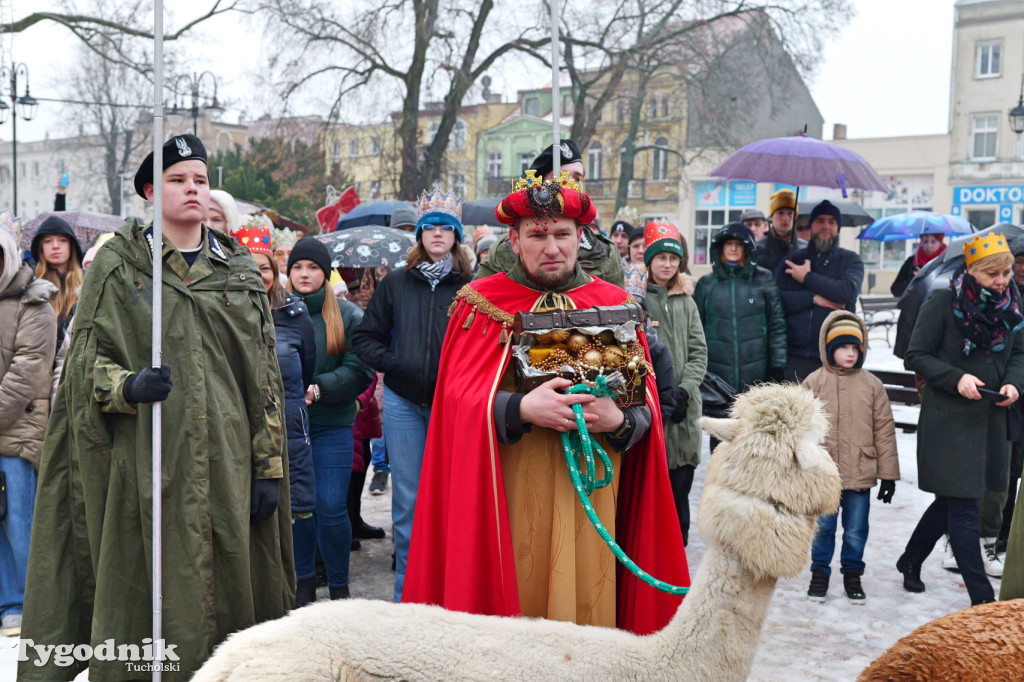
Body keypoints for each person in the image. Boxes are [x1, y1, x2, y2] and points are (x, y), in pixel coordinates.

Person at [20, 134, 294, 680]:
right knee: (148, 589)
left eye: (199, 180)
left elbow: (263, 378)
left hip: (228, 463)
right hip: (146, 460)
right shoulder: (120, 265)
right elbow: (84, 369)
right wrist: (126, 385)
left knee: (233, 585)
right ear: (151, 190)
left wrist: (268, 467)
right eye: (177, 180)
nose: (192, 189)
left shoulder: (238, 269)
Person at [402, 175, 687, 634]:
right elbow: (454, 402)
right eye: (537, 235)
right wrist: (520, 409)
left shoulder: (615, 306)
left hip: (595, 497)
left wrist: (620, 419)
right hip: (514, 495)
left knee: (590, 619)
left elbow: (649, 406)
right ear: (515, 240)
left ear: (580, 237)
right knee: (521, 624)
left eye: (562, 234)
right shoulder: (480, 306)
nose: (551, 247)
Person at [351, 188, 471, 602]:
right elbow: (365, 338)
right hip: (403, 403)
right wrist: (395, 361)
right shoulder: (397, 283)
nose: (438, 233)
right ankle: (408, 595)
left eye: (446, 227)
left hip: (452, 404)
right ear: (419, 235)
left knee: (453, 499)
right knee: (408, 500)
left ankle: (451, 592)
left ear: (457, 236)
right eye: (430, 227)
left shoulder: (472, 288)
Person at [898, 232, 1024, 607]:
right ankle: (983, 603)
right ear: (972, 272)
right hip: (950, 422)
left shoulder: (1012, 305)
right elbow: (916, 355)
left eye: (1006, 272)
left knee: (954, 503)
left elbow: (1019, 354)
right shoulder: (943, 301)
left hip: (991, 421)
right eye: (993, 274)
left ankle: (910, 558)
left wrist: (1015, 384)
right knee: (965, 511)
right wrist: (957, 378)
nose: (1002, 281)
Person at [233, 216, 319, 607]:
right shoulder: (227, 313)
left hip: (287, 427)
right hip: (240, 430)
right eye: (249, 266)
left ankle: (295, 591)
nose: (258, 274)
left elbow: (309, 367)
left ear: (274, 271)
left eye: (264, 267)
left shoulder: (295, 314)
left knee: (293, 511)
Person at [287, 236, 374, 602]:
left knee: (331, 506)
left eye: (313, 268)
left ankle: (340, 588)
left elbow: (360, 367)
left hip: (332, 425)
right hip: (290, 430)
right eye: (297, 267)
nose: (304, 274)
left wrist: (320, 388)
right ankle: (303, 587)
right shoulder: (276, 311)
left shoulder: (348, 314)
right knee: (299, 510)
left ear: (326, 273)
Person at [803, 311, 899, 604]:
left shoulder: (872, 385)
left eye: (855, 348)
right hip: (824, 475)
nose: (850, 353)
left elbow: (884, 430)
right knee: (824, 529)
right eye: (844, 347)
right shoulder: (813, 383)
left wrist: (888, 476)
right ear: (829, 348)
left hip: (860, 471)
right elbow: (800, 431)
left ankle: (852, 575)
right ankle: (819, 573)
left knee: (856, 530)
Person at [0, 219, 57, 638]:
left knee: (18, 523)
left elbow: (26, 375)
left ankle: (20, 604)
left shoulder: (35, 304)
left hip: (17, 435)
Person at [475, 141, 625, 289]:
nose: (570, 186)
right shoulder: (504, 250)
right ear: (539, 188)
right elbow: (481, 298)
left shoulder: (604, 251)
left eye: (577, 179)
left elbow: (618, 307)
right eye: (560, 178)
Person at [643, 220, 708, 546]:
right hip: (652, 405)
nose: (667, 265)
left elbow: (699, 353)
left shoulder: (687, 302)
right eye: (661, 258)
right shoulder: (638, 301)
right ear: (649, 261)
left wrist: (685, 388)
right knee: (654, 492)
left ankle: (677, 557)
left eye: (673, 259)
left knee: (680, 488)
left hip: (685, 409)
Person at [776, 200, 865, 383]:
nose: (826, 226)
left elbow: (846, 292)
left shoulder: (850, 260)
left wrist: (807, 278)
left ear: (838, 229)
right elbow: (777, 301)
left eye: (832, 222)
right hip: (795, 357)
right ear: (811, 226)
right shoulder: (793, 260)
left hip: (835, 358)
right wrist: (813, 298)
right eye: (820, 221)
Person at [694, 222, 786, 394]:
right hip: (715, 376)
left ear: (747, 248)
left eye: (739, 244)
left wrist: (777, 367)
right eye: (729, 243)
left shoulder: (764, 279)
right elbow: (694, 330)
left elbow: (777, 325)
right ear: (720, 248)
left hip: (757, 373)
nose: (734, 248)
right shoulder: (706, 283)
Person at [30, 215, 83, 352]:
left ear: (72, 245)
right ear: (40, 247)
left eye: (62, 240)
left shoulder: (88, 285)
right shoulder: (29, 286)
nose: (55, 246)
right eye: (48, 241)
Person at [755, 189, 805, 274]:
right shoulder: (757, 248)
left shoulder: (805, 248)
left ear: (795, 217)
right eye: (780, 213)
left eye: (790, 213)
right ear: (771, 216)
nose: (786, 218)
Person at [891, 230, 946, 298]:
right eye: (925, 241)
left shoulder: (946, 260)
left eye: (933, 242)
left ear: (940, 243)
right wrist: (912, 279)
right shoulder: (912, 261)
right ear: (921, 242)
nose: (929, 245)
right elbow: (895, 290)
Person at [623, 228, 648, 300]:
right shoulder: (616, 275)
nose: (641, 251)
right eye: (636, 246)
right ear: (629, 249)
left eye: (645, 246)